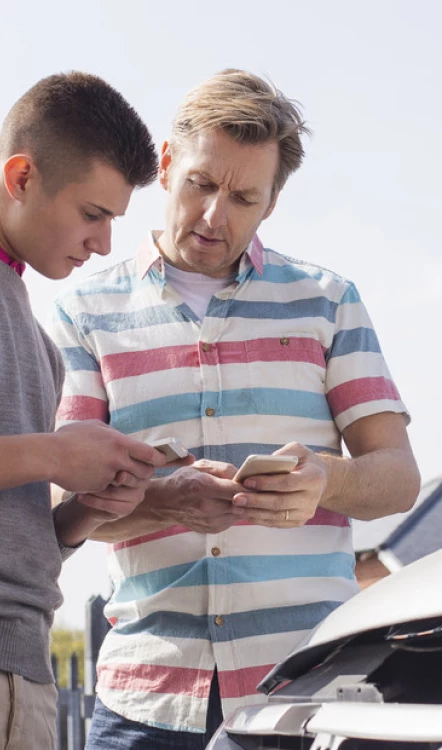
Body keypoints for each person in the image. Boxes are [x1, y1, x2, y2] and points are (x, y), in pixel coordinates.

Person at [50, 69, 421, 750]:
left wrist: (327, 481)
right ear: (165, 166)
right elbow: (63, 506)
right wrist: (167, 502)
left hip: (306, 696)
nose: (216, 216)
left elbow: (397, 477)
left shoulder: (329, 302)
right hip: (145, 703)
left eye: (244, 196)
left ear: (272, 203)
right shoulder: (83, 312)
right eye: (201, 184)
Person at [0, 71, 176, 750]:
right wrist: (54, 454)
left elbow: (22, 538)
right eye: (92, 213)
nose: (103, 244)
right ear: (21, 178)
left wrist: (86, 511)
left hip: (26, 669)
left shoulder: (39, 340)